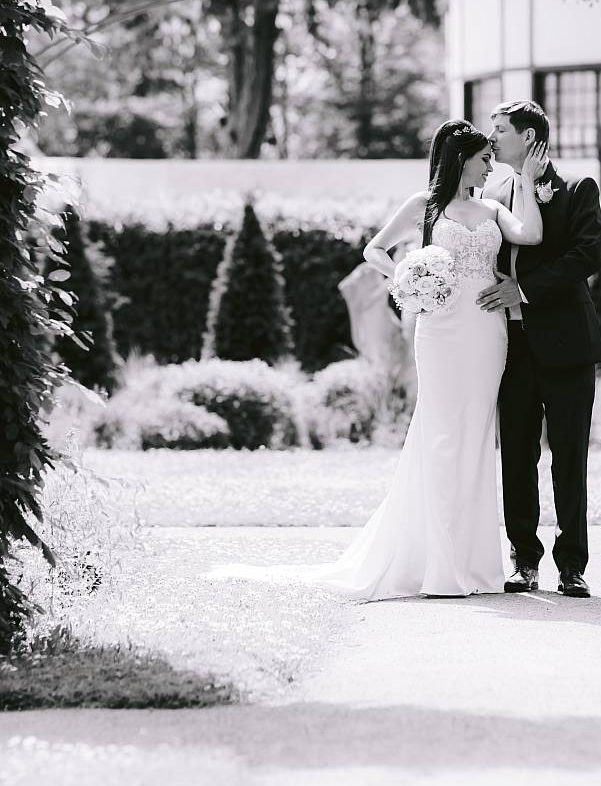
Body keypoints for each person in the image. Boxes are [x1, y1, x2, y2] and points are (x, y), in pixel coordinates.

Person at [211, 119, 547, 601]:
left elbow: (531, 235)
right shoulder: (423, 208)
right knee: (441, 434)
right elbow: (374, 249)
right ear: (459, 160)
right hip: (440, 330)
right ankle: (435, 563)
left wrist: (530, 184)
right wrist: (408, 276)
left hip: (487, 333)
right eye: (482, 158)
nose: (489, 165)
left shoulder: (494, 208)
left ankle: (473, 564)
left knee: (475, 438)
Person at [481, 100, 601, 598]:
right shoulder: (490, 192)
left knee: (569, 458)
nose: (492, 140)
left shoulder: (577, 188)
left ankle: (572, 564)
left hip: (567, 344)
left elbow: (586, 255)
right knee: (515, 455)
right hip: (508, 346)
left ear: (530, 137)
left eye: (500, 131)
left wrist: (524, 290)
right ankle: (523, 560)